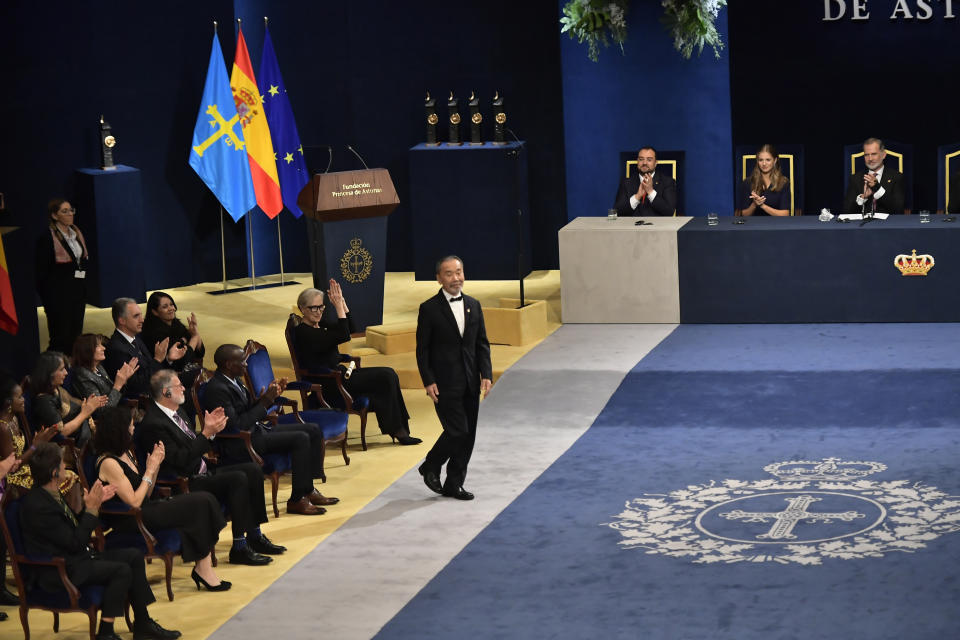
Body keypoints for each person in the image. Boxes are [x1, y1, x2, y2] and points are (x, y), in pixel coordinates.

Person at [19, 442, 180, 640]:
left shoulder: (50, 493)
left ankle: (143, 622)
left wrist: (89, 506)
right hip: (58, 570)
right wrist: (92, 511)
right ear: (54, 473)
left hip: (75, 558)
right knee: (121, 570)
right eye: (62, 464)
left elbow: (69, 529)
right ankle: (106, 632)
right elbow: (75, 542)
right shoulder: (38, 505)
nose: (65, 467)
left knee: (133, 556)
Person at [136, 370, 283, 566]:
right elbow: (180, 460)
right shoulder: (153, 424)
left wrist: (212, 432)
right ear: (166, 392)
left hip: (201, 470)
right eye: (178, 386)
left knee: (252, 469)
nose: (183, 389)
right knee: (238, 478)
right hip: (184, 481)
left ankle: (255, 536)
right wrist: (206, 433)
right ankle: (239, 547)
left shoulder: (177, 411)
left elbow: (193, 444)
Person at [94, 405, 229, 592]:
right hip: (130, 519)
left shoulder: (126, 453)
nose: (133, 429)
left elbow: (146, 492)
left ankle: (203, 568)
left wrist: (155, 465)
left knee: (202, 501)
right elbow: (133, 502)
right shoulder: (108, 463)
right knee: (201, 501)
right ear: (119, 430)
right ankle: (202, 569)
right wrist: (149, 470)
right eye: (130, 426)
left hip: (146, 508)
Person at [203, 344, 339, 515]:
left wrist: (269, 395)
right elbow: (237, 424)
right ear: (229, 364)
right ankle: (297, 500)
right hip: (240, 442)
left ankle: (308, 489)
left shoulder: (234, 380)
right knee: (300, 438)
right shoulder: (217, 389)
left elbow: (245, 408)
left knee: (312, 430)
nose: (246, 365)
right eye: (243, 362)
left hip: (257, 431)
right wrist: (265, 402)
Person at [293, 281, 421, 445]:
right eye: (314, 308)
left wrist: (343, 304)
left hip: (341, 376)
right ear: (302, 309)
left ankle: (400, 430)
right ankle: (399, 431)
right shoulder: (304, 332)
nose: (319, 312)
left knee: (389, 375)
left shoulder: (319, 325)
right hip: (331, 384)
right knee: (386, 376)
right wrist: (338, 307)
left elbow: (351, 328)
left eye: (322, 307)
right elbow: (343, 335)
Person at [415, 256, 493, 500]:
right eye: (449, 274)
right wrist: (428, 380)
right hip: (444, 382)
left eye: (458, 272)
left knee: (468, 435)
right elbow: (422, 349)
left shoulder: (474, 304)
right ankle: (431, 464)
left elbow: (481, 344)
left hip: (471, 380)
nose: (455, 278)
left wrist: (486, 374)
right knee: (457, 431)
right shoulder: (429, 308)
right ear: (439, 278)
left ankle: (454, 483)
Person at [35, 198, 89, 353]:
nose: (70, 214)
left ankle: (74, 369)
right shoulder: (47, 238)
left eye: (71, 210)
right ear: (54, 215)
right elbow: (41, 273)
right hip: (58, 296)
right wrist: (48, 299)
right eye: (64, 211)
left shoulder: (76, 233)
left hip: (77, 292)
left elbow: (82, 262)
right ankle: (56, 370)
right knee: (60, 337)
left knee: (76, 334)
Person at [104, 298, 186, 397]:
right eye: (136, 316)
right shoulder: (116, 349)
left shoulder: (135, 338)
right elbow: (137, 386)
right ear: (122, 321)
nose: (142, 320)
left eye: (141, 315)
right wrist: (157, 359)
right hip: (148, 399)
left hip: (159, 387)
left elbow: (149, 367)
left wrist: (168, 358)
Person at [30, 351, 106, 449]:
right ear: (49, 373)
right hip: (68, 449)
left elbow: (76, 405)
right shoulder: (43, 401)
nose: (66, 373)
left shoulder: (57, 389)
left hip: (85, 436)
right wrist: (85, 412)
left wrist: (88, 404)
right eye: (61, 369)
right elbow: (61, 433)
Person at [141, 292, 205, 385]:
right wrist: (194, 338)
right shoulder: (153, 333)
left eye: (171, 304)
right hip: (169, 377)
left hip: (188, 368)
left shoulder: (176, 324)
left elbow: (200, 353)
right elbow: (182, 361)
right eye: (165, 306)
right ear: (155, 312)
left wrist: (195, 332)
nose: (171, 308)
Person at [71, 333, 139, 419]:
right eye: (98, 346)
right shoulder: (83, 376)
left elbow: (112, 395)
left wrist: (124, 379)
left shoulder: (98, 367)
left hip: (117, 413)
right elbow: (101, 412)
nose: (104, 348)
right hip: (104, 424)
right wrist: (118, 385)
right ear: (87, 350)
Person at [843, 137, 905, 215]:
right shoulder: (855, 178)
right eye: (866, 155)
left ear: (883, 155)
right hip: (862, 225)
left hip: (888, 224)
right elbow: (847, 211)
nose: (870, 158)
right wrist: (863, 198)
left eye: (874, 154)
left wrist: (877, 188)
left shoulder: (896, 177)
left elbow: (898, 209)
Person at [612, 146, 678, 217]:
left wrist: (650, 192)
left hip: (657, 227)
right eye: (641, 159)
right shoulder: (626, 183)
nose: (644, 163)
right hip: (632, 227)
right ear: (637, 161)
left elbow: (669, 212)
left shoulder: (668, 182)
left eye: (649, 160)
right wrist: (637, 197)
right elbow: (616, 212)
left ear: (655, 163)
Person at [737, 144, 791, 216]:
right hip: (754, 225)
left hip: (777, 225)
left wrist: (762, 206)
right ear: (757, 161)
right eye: (761, 160)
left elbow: (785, 214)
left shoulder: (784, 182)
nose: (764, 164)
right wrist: (754, 204)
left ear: (775, 160)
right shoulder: (748, 182)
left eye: (768, 160)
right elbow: (744, 215)